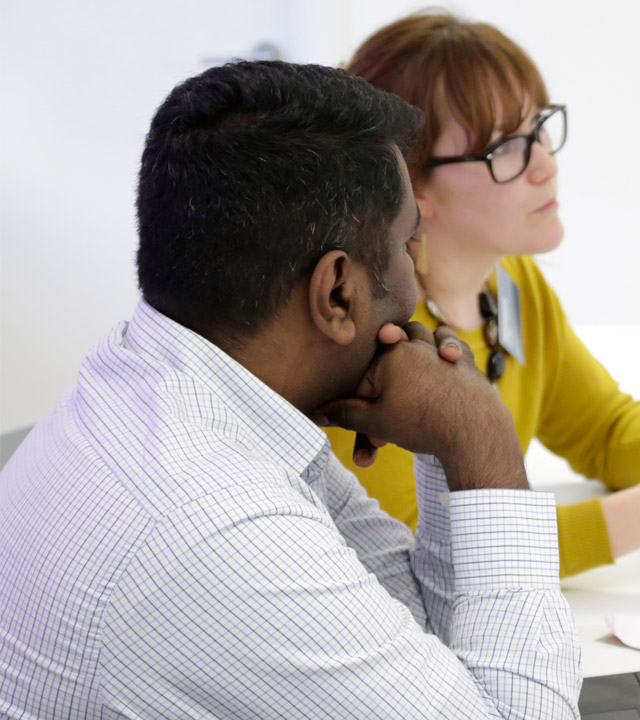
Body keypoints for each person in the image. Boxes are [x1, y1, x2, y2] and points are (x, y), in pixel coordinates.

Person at [0, 61, 580, 718]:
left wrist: (446, 451)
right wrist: (483, 446)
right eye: (406, 244)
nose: (418, 282)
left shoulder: (170, 381)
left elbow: (423, 652)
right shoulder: (220, 524)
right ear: (338, 292)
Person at [330, 11, 640, 576]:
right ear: (410, 185)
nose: (545, 164)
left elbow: (600, 427)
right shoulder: (382, 342)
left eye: (537, 129)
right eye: (504, 149)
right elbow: (417, 553)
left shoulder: (510, 280)